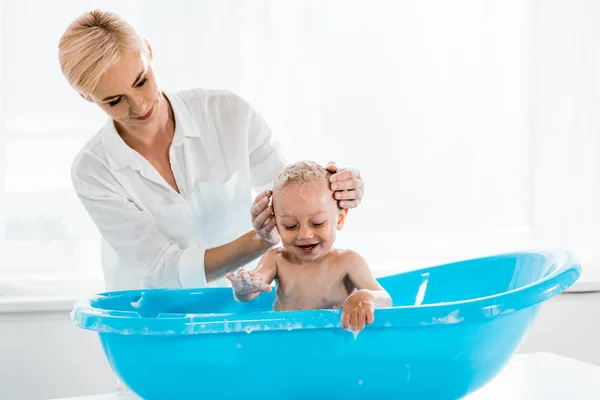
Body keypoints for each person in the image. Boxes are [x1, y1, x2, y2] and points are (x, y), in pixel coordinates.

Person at [58, 9, 365, 291]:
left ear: (149, 52)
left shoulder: (228, 114)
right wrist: (259, 239)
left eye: (142, 81)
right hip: (150, 319)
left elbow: (292, 191)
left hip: (239, 309)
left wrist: (336, 188)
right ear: (87, 97)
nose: (138, 106)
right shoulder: (93, 170)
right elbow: (161, 268)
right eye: (114, 101)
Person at [226, 161, 391, 331]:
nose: (304, 235)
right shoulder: (277, 259)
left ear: (340, 219)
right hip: (287, 343)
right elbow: (253, 289)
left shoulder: (348, 261)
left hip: (334, 344)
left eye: (317, 223)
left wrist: (367, 297)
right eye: (290, 226)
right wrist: (244, 289)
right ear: (276, 225)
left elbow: (386, 299)